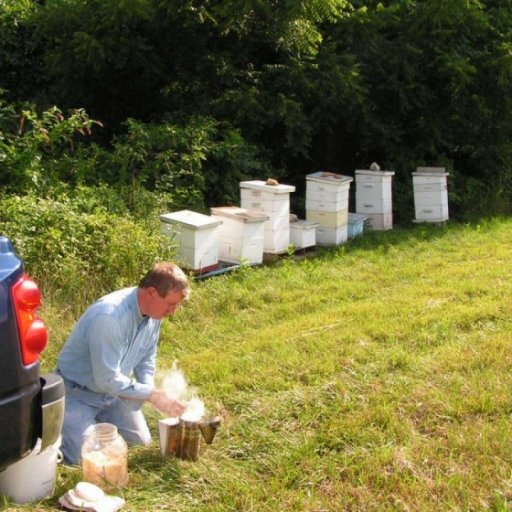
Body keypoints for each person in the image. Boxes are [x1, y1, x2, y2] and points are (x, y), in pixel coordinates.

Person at [56, 262, 190, 465]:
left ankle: (98, 427)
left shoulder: (154, 314)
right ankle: (61, 430)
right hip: (77, 394)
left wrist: (149, 388)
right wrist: (151, 396)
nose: (173, 311)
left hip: (114, 393)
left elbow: (146, 357)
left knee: (141, 444)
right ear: (152, 292)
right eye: (171, 304)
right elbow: (106, 378)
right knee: (84, 461)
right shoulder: (109, 318)